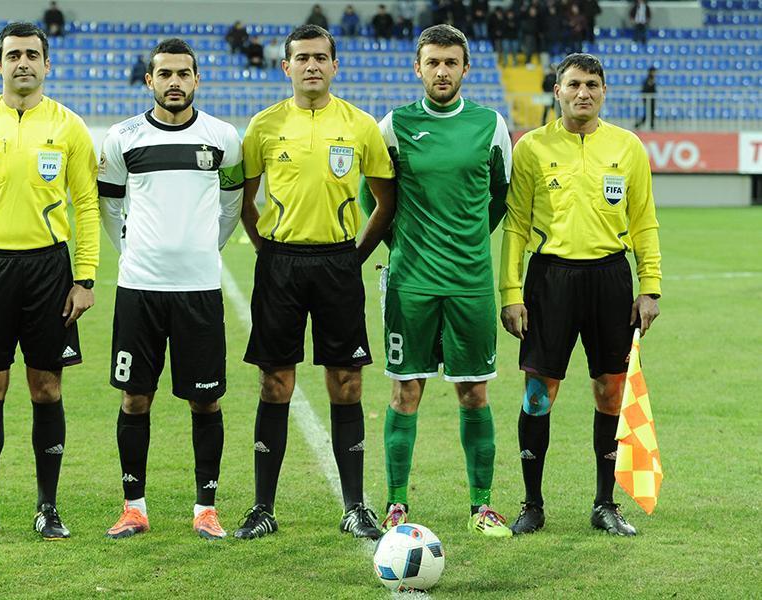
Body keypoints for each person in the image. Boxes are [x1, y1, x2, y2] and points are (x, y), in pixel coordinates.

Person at [0, 22, 100, 540]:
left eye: (32, 54)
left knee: (46, 385)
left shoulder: (70, 126)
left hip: (50, 271)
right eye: (13, 55)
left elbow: (87, 204)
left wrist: (85, 278)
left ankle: (47, 507)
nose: (23, 62)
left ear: (47, 64)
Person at [235, 24, 396, 541]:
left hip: (337, 264)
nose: (311, 66)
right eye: (302, 58)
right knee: (275, 382)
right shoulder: (263, 125)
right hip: (280, 265)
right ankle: (262, 508)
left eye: (320, 58)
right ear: (286, 66)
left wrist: (354, 257)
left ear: (334, 65)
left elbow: (386, 201)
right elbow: (244, 200)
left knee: (347, 381)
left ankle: (355, 507)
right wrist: (265, 250)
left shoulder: (360, 125)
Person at [358, 24, 513, 537]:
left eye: (451, 62)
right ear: (418, 68)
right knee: (406, 392)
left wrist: (465, 240)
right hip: (412, 283)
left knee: (474, 394)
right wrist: (404, 246)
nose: (442, 71)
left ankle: (482, 506)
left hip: (470, 283)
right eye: (433, 62)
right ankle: (396, 503)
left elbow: (499, 197)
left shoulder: (490, 125)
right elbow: (372, 199)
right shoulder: (393, 126)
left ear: (466, 68)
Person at [499, 53, 661, 537]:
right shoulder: (531, 147)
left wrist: (649, 287)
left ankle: (605, 504)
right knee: (537, 394)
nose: (583, 92)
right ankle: (532, 504)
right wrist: (511, 292)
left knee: (610, 390)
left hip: (610, 279)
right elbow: (516, 225)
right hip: (550, 280)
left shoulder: (627, 146)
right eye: (573, 84)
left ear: (604, 91)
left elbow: (644, 221)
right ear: (557, 91)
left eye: (592, 84)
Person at [98, 38, 244, 541]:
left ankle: (206, 508)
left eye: (184, 73)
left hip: (199, 289)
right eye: (165, 74)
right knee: (135, 397)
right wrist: (131, 250)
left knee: (205, 401)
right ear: (150, 81)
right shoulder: (123, 138)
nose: (174, 82)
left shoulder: (223, 138)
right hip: (139, 289)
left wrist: (205, 247)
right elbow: (110, 206)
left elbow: (232, 204)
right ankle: (133, 507)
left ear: (197, 79)